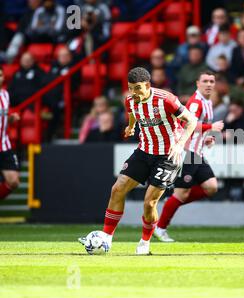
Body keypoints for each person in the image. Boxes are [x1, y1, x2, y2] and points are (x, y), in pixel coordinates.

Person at [78, 67, 197, 255]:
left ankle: (145, 242)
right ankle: (106, 238)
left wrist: (180, 144)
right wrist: (131, 127)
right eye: (130, 88)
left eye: (138, 88)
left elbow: (191, 121)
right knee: (118, 189)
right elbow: (133, 112)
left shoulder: (166, 99)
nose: (134, 93)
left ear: (148, 85)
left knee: (149, 202)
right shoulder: (130, 100)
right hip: (144, 151)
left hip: (168, 155)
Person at [155, 71, 224, 242]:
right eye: (205, 81)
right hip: (188, 153)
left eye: (211, 81)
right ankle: (160, 227)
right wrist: (211, 126)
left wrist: (205, 137)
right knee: (181, 194)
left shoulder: (207, 102)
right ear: (197, 83)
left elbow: (194, 129)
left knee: (211, 187)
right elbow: (188, 123)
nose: (209, 84)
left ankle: (173, 201)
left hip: (197, 152)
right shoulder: (196, 102)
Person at [0, 67, 20, 201]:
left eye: (0, 75)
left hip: (4, 146)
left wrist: (11, 119)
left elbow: (3, 119)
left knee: (14, 181)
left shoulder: (5, 94)